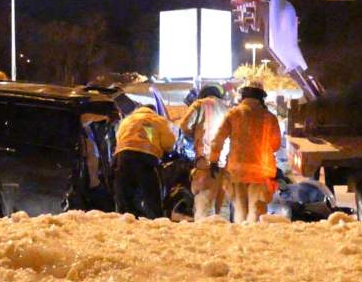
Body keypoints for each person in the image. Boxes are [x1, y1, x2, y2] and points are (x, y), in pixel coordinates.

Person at [209, 83, 282, 223]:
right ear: (261, 98)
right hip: (261, 172)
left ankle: (241, 239)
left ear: (243, 97)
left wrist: (213, 160)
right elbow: (276, 145)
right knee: (256, 210)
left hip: (237, 171)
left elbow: (218, 139)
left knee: (240, 210)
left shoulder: (234, 114)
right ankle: (255, 240)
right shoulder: (269, 118)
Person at [113, 105, 176, 218]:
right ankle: (155, 221)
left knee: (125, 194)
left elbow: (118, 137)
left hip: (123, 156)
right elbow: (168, 143)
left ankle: (126, 221)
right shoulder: (158, 120)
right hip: (145, 158)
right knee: (150, 193)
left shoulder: (127, 120)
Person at [178, 84, 230, 217]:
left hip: (205, 161)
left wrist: (194, 136)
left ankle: (205, 234)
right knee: (222, 205)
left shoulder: (200, 104)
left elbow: (184, 126)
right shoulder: (228, 109)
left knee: (204, 204)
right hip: (224, 162)